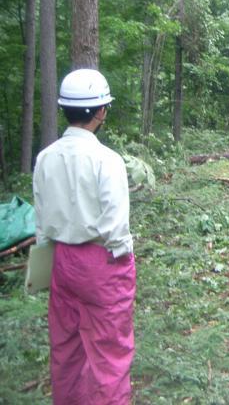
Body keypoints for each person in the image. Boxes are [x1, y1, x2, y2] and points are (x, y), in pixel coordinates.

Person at [33, 69, 135, 405]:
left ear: (65, 109)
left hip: (62, 261)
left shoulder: (45, 158)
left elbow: (42, 222)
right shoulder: (108, 161)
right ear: (102, 111)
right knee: (110, 352)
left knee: (66, 350)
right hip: (102, 263)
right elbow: (116, 229)